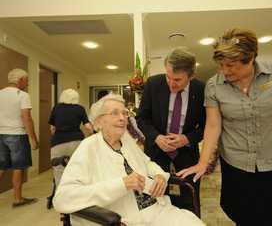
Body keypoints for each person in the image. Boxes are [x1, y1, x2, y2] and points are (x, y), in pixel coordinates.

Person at [177, 28, 272, 226]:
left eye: (231, 65)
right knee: (239, 211)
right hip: (235, 162)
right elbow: (213, 125)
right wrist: (203, 162)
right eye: (221, 65)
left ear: (250, 59)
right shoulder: (214, 86)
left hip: (271, 159)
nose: (225, 70)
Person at [53, 94, 205, 226]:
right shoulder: (88, 147)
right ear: (99, 121)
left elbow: (147, 163)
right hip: (124, 219)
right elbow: (63, 198)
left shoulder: (127, 141)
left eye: (125, 113)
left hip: (157, 209)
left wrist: (160, 175)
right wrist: (122, 184)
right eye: (114, 113)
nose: (122, 118)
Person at [136, 47, 206, 214]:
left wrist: (187, 138)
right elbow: (142, 118)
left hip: (187, 154)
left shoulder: (201, 89)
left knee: (189, 197)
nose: (171, 83)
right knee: (155, 197)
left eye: (177, 80)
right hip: (156, 152)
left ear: (191, 76)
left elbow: (207, 126)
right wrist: (157, 137)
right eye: (168, 77)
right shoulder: (153, 84)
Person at [0, 68, 39, 207]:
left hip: (1, 135)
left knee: (1, 167)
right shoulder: (22, 95)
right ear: (20, 80)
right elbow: (26, 117)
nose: (27, 83)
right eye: (26, 80)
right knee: (18, 167)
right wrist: (33, 138)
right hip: (17, 135)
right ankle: (18, 199)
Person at [49, 88, 93, 186]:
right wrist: (93, 135)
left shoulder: (57, 108)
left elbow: (52, 128)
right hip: (77, 142)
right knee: (78, 169)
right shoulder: (80, 108)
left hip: (58, 142)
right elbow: (88, 127)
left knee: (59, 171)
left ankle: (61, 196)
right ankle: (77, 194)